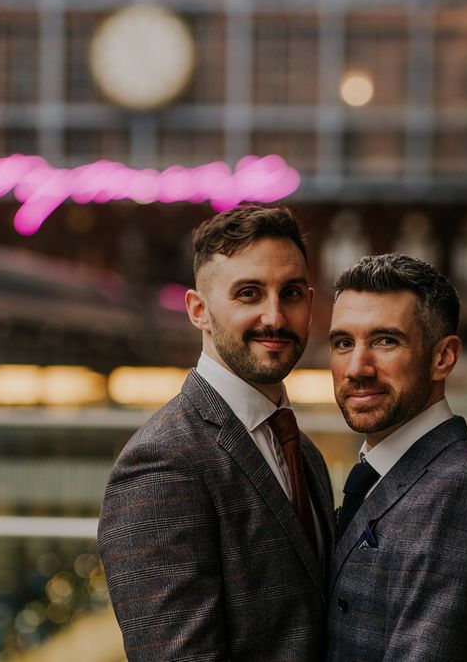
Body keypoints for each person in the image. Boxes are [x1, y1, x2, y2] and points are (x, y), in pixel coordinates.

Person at [98, 206, 335, 661]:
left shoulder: (304, 452)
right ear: (198, 310)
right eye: (249, 294)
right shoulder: (161, 464)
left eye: (291, 294)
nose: (275, 316)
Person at [326, 253, 467, 662]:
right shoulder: (376, 469)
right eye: (343, 342)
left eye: (385, 341)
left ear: (443, 357)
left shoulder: (462, 487)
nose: (357, 367)